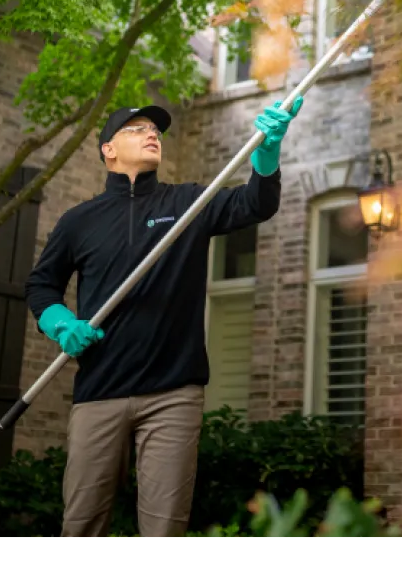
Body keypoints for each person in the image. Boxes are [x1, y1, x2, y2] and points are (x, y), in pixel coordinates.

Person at [24, 96, 303, 541]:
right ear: (108, 149)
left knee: (164, 530)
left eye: (156, 130)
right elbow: (41, 285)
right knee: (80, 525)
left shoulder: (190, 203)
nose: (152, 133)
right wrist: (60, 323)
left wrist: (266, 154)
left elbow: (255, 204)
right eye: (137, 129)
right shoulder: (79, 221)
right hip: (100, 391)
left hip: (173, 394)